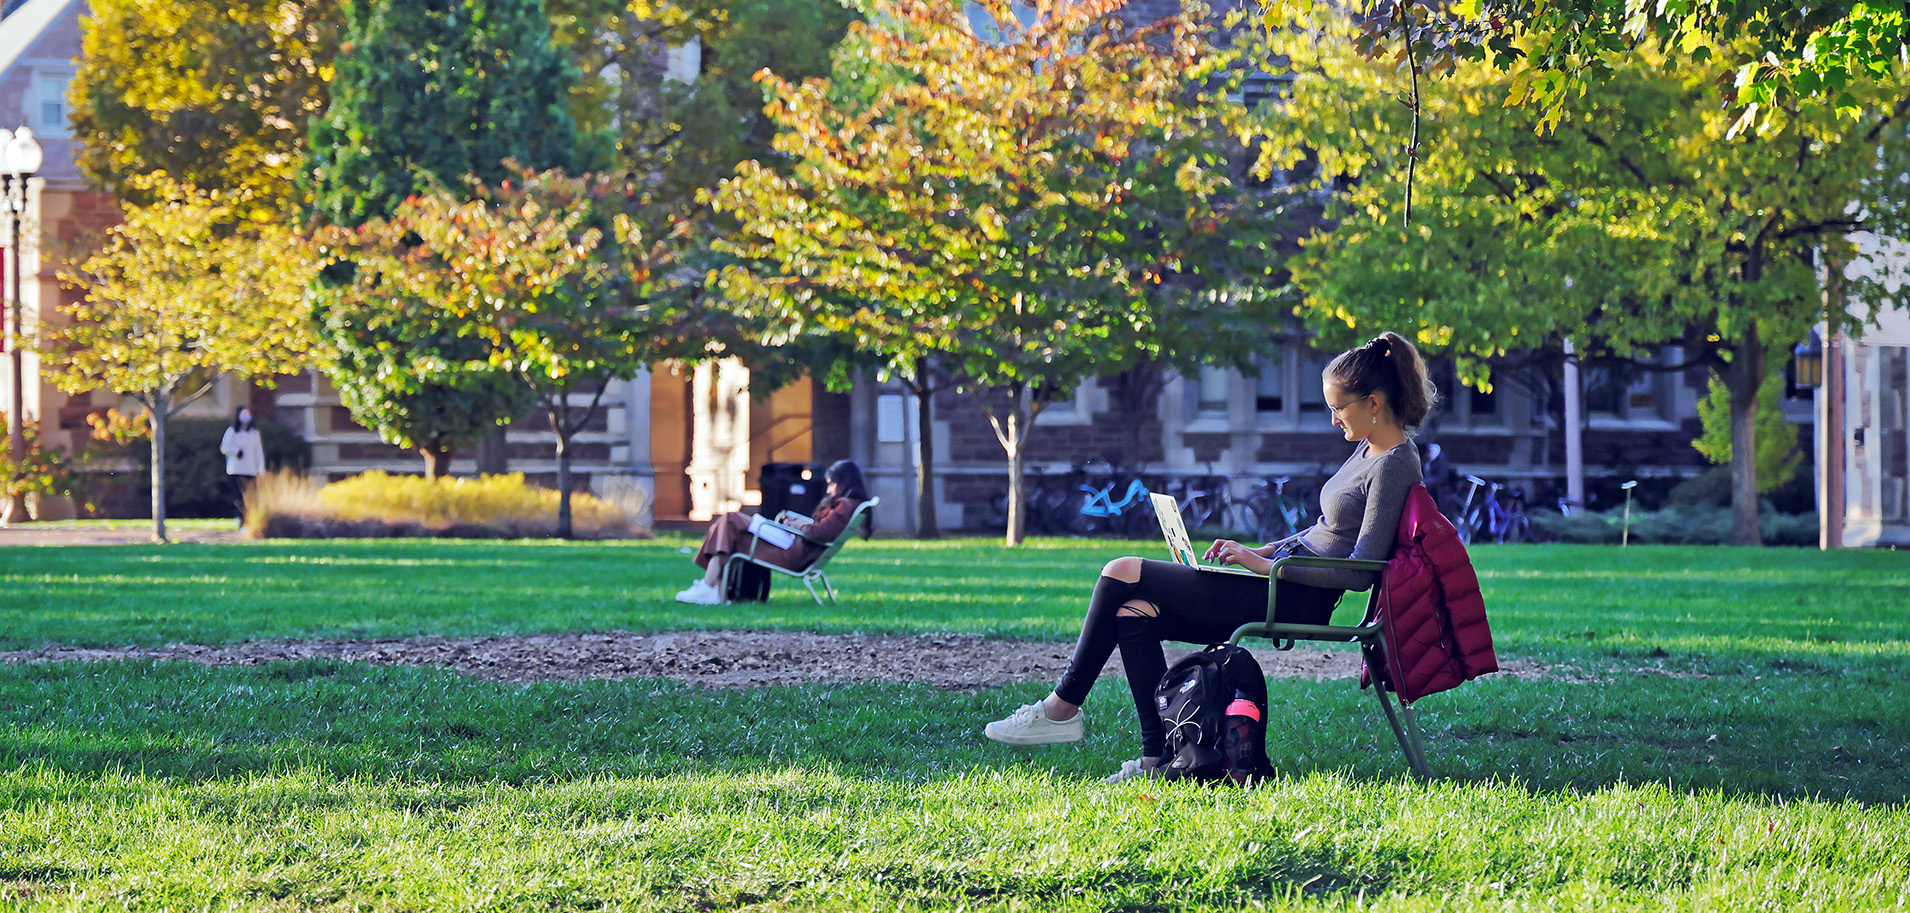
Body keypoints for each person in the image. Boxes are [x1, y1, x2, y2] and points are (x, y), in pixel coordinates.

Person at [982, 332, 1438, 782]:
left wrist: (1267, 566)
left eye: (1338, 408)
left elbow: (1360, 569)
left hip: (1297, 596)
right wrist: (1261, 551)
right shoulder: (1368, 447)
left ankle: (1062, 708)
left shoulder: (1394, 462)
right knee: (1131, 612)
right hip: (1282, 579)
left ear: (1373, 404)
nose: (1333, 418)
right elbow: (1326, 532)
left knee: (1120, 571)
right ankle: (1156, 759)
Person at [675, 459, 871, 605]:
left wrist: (797, 526)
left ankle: (710, 587)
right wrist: (800, 522)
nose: (828, 490)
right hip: (797, 547)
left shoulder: (844, 505)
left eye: (831, 483)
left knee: (731, 519)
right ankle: (712, 588)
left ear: (844, 482)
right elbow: (822, 528)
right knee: (729, 527)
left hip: (795, 553)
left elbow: (821, 532)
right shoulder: (846, 505)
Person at [219, 406, 265, 528]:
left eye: (248, 413)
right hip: (236, 470)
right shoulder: (232, 431)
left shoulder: (254, 433)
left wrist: (261, 469)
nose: (246, 416)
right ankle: (241, 520)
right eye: (243, 413)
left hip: (251, 470)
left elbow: (258, 452)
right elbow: (224, 448)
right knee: (239, 497)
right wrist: (236, 451)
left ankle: (250, 520)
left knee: (251, 497)